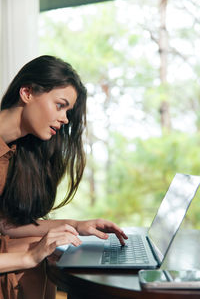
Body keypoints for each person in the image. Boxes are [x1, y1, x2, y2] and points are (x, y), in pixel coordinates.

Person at [0, 55, 128, 299]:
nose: (65, 119)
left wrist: (77, 226)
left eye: (68, 111)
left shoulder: (14, 151)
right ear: (26, 93)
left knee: (50, 250)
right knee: (39, 258)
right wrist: (28, 256)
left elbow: (5, 224)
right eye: (60, 105)